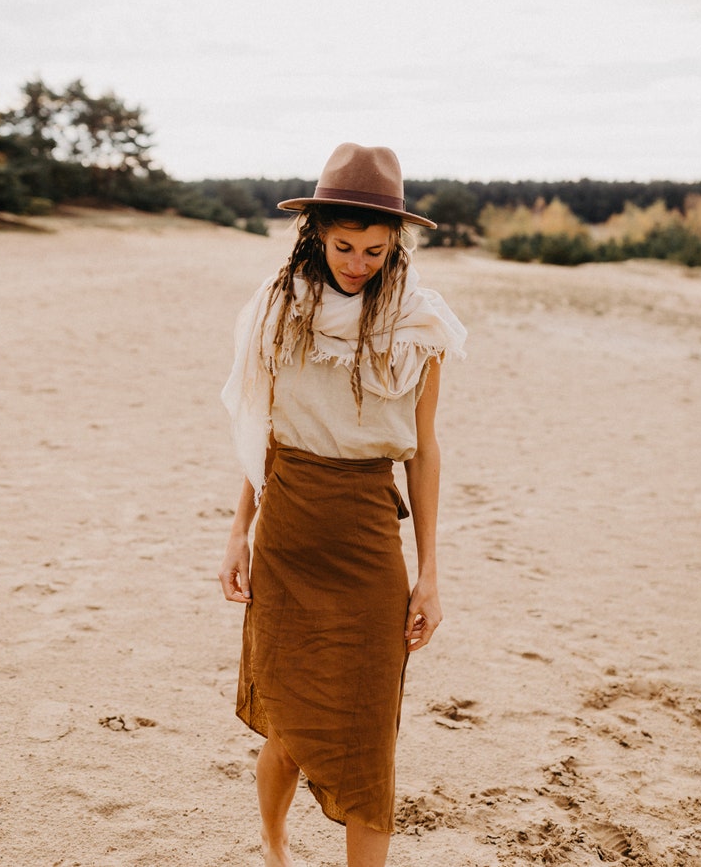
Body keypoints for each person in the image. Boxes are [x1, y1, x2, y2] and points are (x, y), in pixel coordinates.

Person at [218, 143, 467, 867]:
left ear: (397, 245)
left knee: (368, 740)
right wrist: (238, 531)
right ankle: (273, 847)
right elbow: (259, 431)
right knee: (289, 728)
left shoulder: (420, 327)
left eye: (376, 250)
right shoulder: (277, 311)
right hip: (288, 529)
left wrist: (430, 572)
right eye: (344, 246)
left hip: (366, 542)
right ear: (316, 234)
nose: (358, 262)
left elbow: (423, 450)